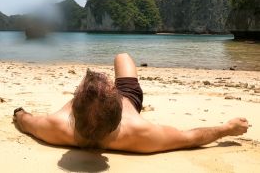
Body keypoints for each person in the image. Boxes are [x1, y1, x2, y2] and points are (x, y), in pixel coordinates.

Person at [13, 53, 249, 153]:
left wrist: (20, 113)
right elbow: (191, 137)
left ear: (72, 111)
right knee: (122, 57)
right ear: (120, 108)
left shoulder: (55, 127)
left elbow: (26, 121)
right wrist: (227, 128)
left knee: (105, 76)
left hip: (91, 109)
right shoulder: (141, 133)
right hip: (129, 97)